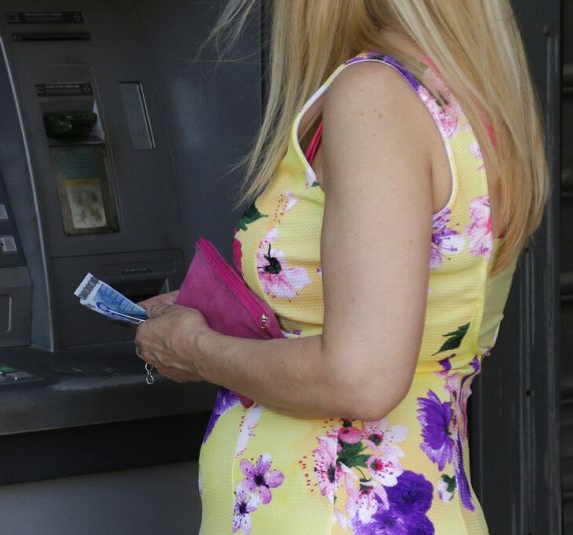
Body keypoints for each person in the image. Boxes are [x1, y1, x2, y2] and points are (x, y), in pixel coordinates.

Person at [134, 0, 548, 533]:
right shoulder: (467, 97)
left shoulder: (375, 96)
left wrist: (195, 349)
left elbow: (362, 377)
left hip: (335, 515)